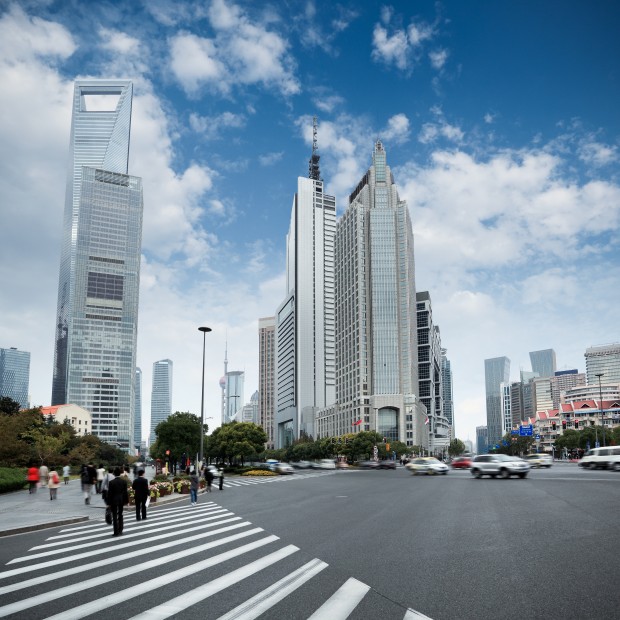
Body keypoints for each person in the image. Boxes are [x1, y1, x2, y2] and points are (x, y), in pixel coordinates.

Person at [107, 467, 129, 536]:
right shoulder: (124, 482)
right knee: (120, 514)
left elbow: (110, 493)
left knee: (114, 515)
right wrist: (126, 501)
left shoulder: (111, 482)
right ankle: (121, 530)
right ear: (120, 473)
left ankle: (115, 532)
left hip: (114, 500)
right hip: (121, 500)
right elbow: (125, 492)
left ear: (114, 474)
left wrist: (109, 503)